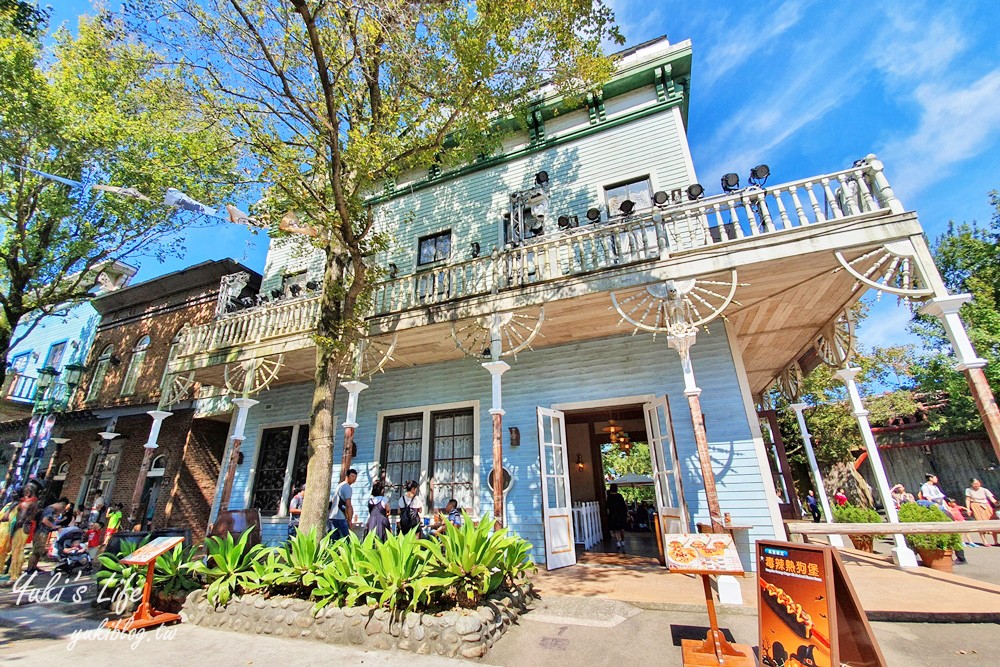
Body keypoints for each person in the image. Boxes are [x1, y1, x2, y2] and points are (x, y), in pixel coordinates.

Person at [26, 497, 70, 575]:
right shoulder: (51, 509)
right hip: (41, 532)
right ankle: (30, 569)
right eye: (63, 508)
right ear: (62, 505)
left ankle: (34, 567)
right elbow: (45, 520)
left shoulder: (51, 510)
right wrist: (54, 527)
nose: (61, 511)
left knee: (39, 551)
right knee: (36, 551)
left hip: (43, 532)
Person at [5, 486, 40, 582]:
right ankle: (15, 572)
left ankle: (14, 574)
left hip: (22, 527)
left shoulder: (27, 503)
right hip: (27, 527)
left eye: (25, 492)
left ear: (29, 492)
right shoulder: (35, 502)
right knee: (19, 549)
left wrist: (15, 525)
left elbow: (22, 517)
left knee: (17, 550)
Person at [965, 478, 998, 546]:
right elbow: (968, 500)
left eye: (978, 483)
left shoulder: (984, 490)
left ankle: (996, 541)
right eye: (975, 484)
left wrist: (996, 503)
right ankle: (984, 541)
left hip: (986, 506)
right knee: (980, 523)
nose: (977, 485)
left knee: (992, 522)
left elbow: (992, 499)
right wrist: (968, 509)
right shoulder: (968, 490)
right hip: (976, 506)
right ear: (971, 484)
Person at [328, 469, 357, 541]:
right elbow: (348, 504)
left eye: (355, 477)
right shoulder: (347, 487)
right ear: (347, 476)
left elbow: (333, 500)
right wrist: (350, 520)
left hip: (333, 517)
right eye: (352, 476)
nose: (354, 479)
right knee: (347, 540)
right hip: (341, 518)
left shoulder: (339, 486)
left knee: (334, 540)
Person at [606, 483, 628, 552]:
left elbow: (607, 506)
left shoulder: (609, 497)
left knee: (615, 529)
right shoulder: (619, 496)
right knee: (622, 528)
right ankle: (623, 540)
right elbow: (623, 506)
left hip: (613, 514)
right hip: (621, 514)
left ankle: (618, 542)